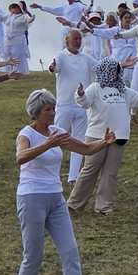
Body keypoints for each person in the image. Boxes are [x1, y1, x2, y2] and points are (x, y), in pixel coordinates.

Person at [14, 89, 113, 275]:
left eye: (53, 109)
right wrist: (48, 144)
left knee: (70, 252)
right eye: (48, 110)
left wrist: (104, 142)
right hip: (31, 197)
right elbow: (20, 157)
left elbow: (85, 149)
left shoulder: (57, 132)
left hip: (56, 198)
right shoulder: (26, 134)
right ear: (36, 112)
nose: (52, 113)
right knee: (33, 255)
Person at [69, 59, 138, 215]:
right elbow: (85, 103)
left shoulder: (123, 90)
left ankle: (104, 206)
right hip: (96, 136)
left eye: (116, 71)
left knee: (110, 173)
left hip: (119, 137)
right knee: (90, 169)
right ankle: (74, 204)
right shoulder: (95, 88)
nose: (114, 74)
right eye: (111, 70)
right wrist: (81, 94)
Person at [49, 29, 97, 183]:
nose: (78, 42)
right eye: (75, 39)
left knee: (79, 142)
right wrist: (52, 68)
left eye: (79, 39)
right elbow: (56, 67)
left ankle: (73, 177)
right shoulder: (61, 55)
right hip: (64, 105)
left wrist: (121, 65)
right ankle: (51, 174)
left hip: (82, 105)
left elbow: (101, 67)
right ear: (67, 40)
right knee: (56, 139)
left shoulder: (86, 58)